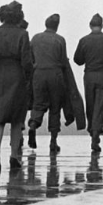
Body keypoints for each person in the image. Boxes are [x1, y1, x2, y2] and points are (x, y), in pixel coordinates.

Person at [0, 2, 34, 170]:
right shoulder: (22, 34)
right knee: (16, 118)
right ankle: (14, 155)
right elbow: (26, 61)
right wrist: (28, 77)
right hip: (16, 75)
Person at [28, 13, 85, 154]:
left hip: (39, 74)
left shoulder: (35, 38)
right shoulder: (60, 40)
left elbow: (30, 58)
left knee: (38, 104)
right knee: (55, 107)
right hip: (55, 75)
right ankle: (53, 142)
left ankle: (33, 126)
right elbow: (63, 61)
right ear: (57, 26)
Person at [73, 14, 103, 152]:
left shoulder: (84, 40)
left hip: (89, 76)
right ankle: (96, 133)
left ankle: (92, 130)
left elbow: (78, 60)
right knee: (100, 107)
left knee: (91, 105)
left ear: (90, 25)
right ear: (102, 25)